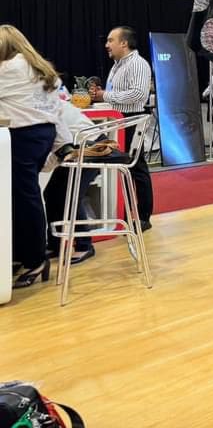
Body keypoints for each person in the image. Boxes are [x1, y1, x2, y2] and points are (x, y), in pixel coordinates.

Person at [0, 25, 62, 288]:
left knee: (24, 198)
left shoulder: (8, 68)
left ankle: (35, 259)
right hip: (43, 135)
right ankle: (24, 254)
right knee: (23, 196)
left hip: (21, 136)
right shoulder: (40, 68)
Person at [89, 26, 154, 229]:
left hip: (132, 119)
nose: (107, 45)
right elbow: (119, 94)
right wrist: (103, 95)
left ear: (124, 43)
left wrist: (105, 95)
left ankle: (143, 217)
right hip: (120, 120)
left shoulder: (137, 64)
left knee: (136, 167)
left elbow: (138, 94)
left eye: (111, 40)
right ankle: (125, 213)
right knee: (125, 167)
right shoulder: (118, 65)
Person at [43, 99, 99, 265]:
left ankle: (84, 245)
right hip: (76, 147)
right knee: (51, 194)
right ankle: (55, 244)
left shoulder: (42, 106)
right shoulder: (41, 101)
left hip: (89, 147)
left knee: (70, 196)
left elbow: (62, 145)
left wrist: (39, 168)